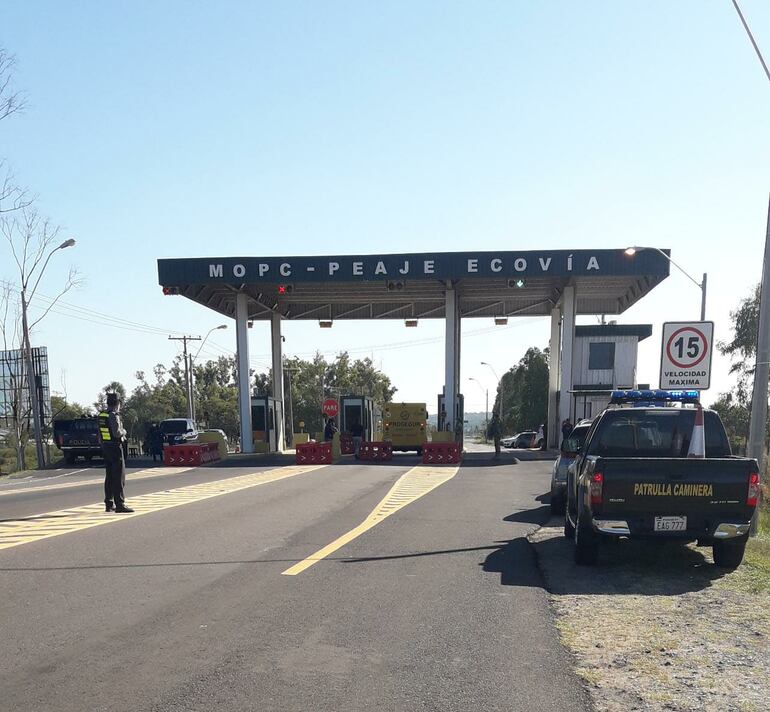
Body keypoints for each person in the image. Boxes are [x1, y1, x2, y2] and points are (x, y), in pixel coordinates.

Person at [97, 393, 133, 513]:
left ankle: (109, 503)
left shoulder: (102, 415)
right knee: (118, 476)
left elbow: (99, 435)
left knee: (110, 476)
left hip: (106, 447)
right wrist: (124, 431)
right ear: (117, 404)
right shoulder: (113, 415)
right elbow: (117, 433)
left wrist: (104, 445)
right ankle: (120, 504)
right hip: (115, 447)